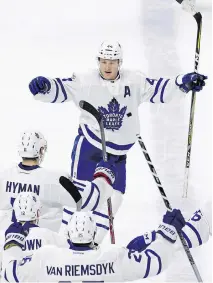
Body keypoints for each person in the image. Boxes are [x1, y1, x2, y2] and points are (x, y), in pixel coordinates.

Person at [28, 40, 208, 241]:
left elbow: (158, 89)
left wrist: (182, 83)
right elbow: (62, 88)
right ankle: (64, 245)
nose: (107, 66)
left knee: (114, 200)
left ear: (120, 62)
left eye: (112, 62)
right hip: (90, 148)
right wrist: (44, 86)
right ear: (98, 61)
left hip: (118, 156)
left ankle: (92, 245)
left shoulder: (135, 81)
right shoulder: (85, 81)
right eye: (104, 61)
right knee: (79, 199)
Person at [2, 205, 211, 282]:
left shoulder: (45, 258)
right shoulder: (112, 257)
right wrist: (166, 234)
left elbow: (8, 272)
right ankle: (201, 227)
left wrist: (13, 242)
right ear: (93, 233)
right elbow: (153, 263)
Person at [0, 130, 115, 233]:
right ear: (41, 150)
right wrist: (104, 174)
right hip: (42, 250)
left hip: (7, 249)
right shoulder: (55, 180)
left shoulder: (4, 176)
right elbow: (92, 199)